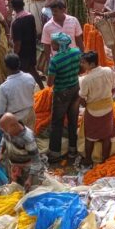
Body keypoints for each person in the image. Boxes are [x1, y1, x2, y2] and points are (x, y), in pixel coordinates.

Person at [45, 33, 83, 162]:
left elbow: (50, 83)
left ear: (59, 44)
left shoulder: (55, 61)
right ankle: (73, 150)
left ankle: (55, 153)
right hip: (75, 89)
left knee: (57, 123)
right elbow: (81, 69)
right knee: (73, 120)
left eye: (53, 43)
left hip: (61, 93)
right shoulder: (76, 52)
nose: (51, 45)